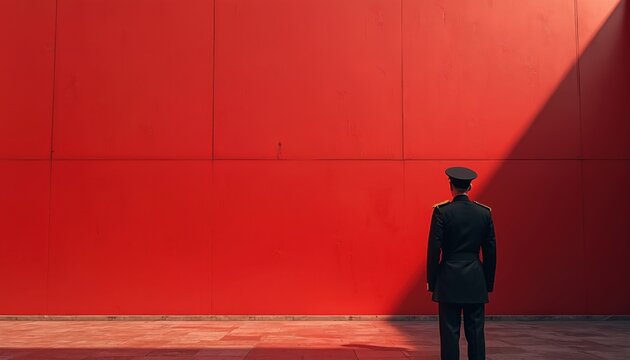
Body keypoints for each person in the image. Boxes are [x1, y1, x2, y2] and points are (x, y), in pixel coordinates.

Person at [426, 166, 497, 360]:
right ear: (471, 186)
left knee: (450, 334)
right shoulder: (484, 213)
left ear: (451, 185)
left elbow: (434, 250)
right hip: (475, 279)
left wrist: (432, 282)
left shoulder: (442, 212)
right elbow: (490, 251)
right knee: (475, 333)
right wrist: (487, 282)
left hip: (448, 279)